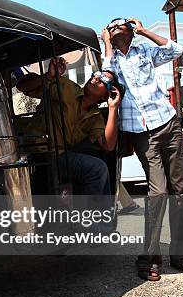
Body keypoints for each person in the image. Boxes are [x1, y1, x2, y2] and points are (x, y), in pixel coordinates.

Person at [102, 17, 183, 280]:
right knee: (158, 192)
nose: (115, 28)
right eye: (110, 26)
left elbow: (175, 50)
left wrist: (145, 31)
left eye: (120, 25)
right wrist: (106, 46)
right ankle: (150, 256)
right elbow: (106, 79)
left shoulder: (144, 50)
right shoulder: (111, 59)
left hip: (167, 122)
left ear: (130, 30)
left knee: (179, 190)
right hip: (140, 132)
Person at [16, 57, 122, 196]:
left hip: (61, 157)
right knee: (97, 168)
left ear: (106, 95)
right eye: (96, 75)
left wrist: (113, 108)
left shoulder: (95, 118)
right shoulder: (66, 87)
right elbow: (22, 86)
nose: (96, 79)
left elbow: (107, 145)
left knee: (99, 167)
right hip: (40, 151)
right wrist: (49, 76)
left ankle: (94, 215)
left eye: (103, 80)